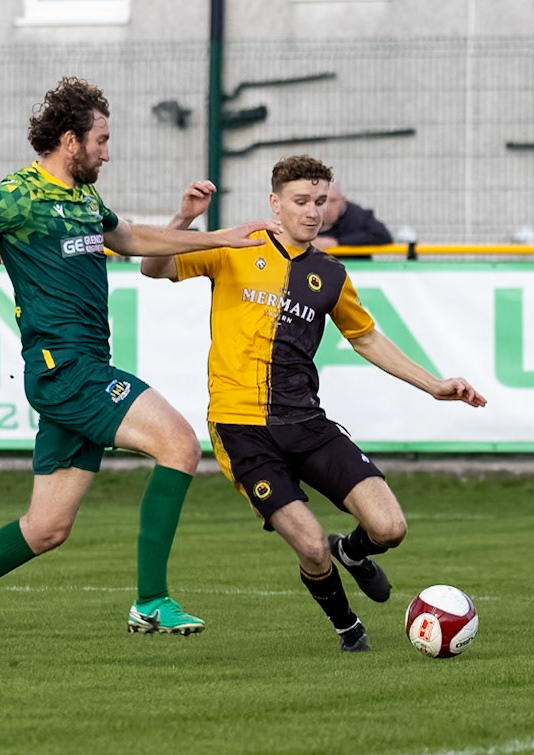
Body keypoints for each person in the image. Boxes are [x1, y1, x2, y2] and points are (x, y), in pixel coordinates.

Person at [0, 77, 280, 659]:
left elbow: (130, 238)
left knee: (46, 529)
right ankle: (151, 601)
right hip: (63, 370)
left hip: (84, 366)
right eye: (102, 140)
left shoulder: (84, 198)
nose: (107, 152)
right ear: (70, 140)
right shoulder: (17, 195)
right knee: (179, 444)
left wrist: (202, 226)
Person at [141, 156, 486, 653]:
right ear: (274, 203)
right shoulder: (234, 246)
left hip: (306, 422)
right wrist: (186, 219)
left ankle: (351, 550)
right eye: (301, 201)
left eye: (320, 202)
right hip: (242, 428)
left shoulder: (330, 273)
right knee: (307, 543)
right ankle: (349, 629)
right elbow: (154, 266)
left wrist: (433, 385)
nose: (312, 212)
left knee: (390, 527)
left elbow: (366, 339)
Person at [312, 180, 392, 251]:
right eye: (321, 201)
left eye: (333, 201)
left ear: (343, 200)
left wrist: (337, 242)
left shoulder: (357, 216)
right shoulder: (306, 213)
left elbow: (382, 235)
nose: (327, 207)